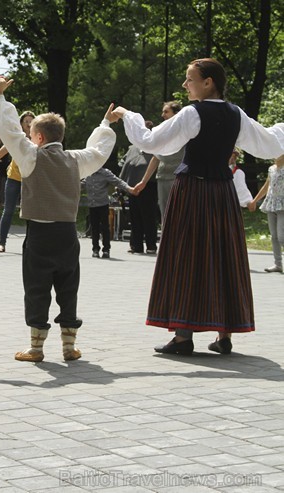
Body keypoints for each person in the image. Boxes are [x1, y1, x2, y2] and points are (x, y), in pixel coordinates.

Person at [110, 58, 284, 356]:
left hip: (191, 191)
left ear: (208, 82)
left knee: (185, 256)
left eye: (189, 79)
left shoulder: (193, 113)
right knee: (223, 256)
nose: (184, 84)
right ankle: (224, 334)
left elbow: (151, 142)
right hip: (222, 193)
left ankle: (182, 337)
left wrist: (127, 113)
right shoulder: (235, 114)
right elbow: (269, 144)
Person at [0, 77, 117, 363]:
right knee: (68, 287)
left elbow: (10, 132)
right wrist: (105, 125)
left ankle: (36, 349)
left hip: (39, 235)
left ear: (38, 137)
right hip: (67, 235)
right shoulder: (76, 159)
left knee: (36, 289)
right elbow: (100, 151)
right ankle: (69, 346)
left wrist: (0, 98)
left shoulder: (30, 156)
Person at [0, 111, 35, 253]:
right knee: (8, 210)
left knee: (31, 212)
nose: (29, 123)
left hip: (31, 179)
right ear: (21, 124)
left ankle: (29, 244)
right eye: (26, 121)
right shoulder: (16, 138)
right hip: (14, 178)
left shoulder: (39, 139)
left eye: (31, 121)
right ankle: (2, 243)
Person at [135, 102, 184, 225]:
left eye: (166, 112)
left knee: (180, 214)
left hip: (180, 178)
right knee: (165, 214)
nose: (163, 115)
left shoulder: (185, 131)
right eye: (163, 112)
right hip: (162, 178)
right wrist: (144, 181)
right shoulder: (162, 131)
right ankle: (166, 242)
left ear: (176, 114)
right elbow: (155, 157)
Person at [119, 127, 158, 254]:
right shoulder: (133, 148)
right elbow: (124, 164)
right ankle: (136, 245)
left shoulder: (155, 148)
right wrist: (121, 183)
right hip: (133, 187)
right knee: (134, 217)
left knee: (148, 217)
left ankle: (151, 245)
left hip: (149, 186)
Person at [84, 165, 133, 258]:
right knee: (94, 228)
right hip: (92, 205)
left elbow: (117, 181)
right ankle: (95, 249)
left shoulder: (105, 173)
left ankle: (106, 249)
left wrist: (129, 188)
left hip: (103, 204)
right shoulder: (87, 173)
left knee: (105, 227)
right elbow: (82, 184)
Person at [249, 155, 284, 274]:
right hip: (271, 204)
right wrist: (254, 200)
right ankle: (278, 264)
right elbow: (266, 186)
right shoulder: (271, 169)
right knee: (274, 236)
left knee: (281, 236)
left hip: (282, 205)